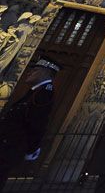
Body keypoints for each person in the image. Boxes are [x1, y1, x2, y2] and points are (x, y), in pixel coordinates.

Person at [0, 58, 59, 189]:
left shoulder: (44, 94)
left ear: (45, 73)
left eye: (35, 70)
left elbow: (37, 123)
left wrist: (32, 148)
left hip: (10, 146)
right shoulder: (35, 91)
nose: (29, 72)